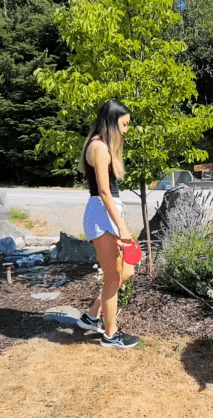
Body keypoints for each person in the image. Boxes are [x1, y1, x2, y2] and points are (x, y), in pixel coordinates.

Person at [76, 99, 140, 348]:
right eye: (123, 125)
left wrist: (121, 223)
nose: (125, 130)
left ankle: (92, 317)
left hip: (107, 213)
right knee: (113, 276)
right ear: (112, 122)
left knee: (127, 271)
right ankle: (110, 336)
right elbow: (104, 191)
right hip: (101, 213)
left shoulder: (103, 146)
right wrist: (121, 226)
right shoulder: (99, 147)